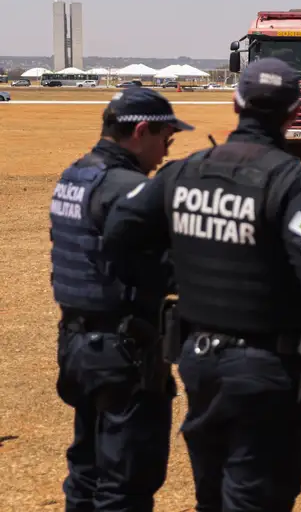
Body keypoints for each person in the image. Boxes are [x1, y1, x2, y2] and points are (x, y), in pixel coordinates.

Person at [103, 59, 301, 512]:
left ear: (235, 103)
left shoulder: (184, 171)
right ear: (294, 113)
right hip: (266, 367)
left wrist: (178, 274)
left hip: (199, 360)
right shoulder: (294, 183)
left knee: (211, 496)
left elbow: (118, 232)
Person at [51, 87, 192, 512]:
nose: (166, 152)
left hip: (77, 344)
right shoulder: (128, 189)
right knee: (126, 481)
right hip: (122, 350)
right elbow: (154, 267)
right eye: (165, 139)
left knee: (86, 470)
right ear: (141, 131)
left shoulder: (75, 175)